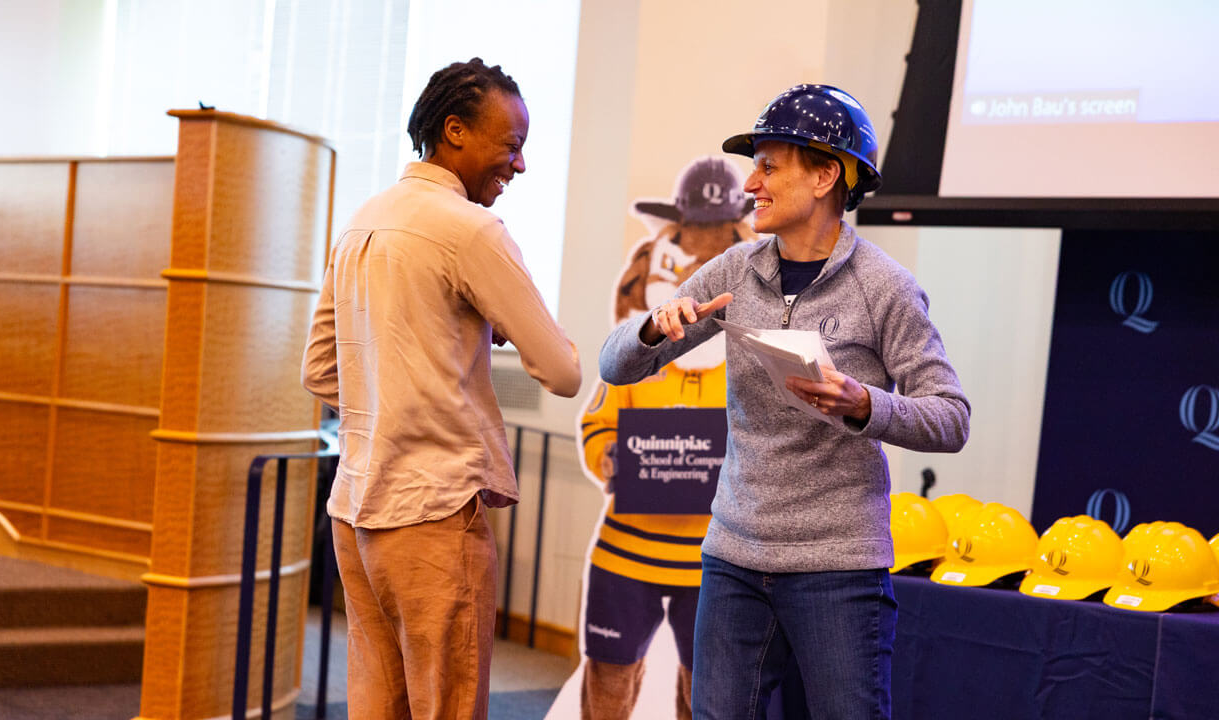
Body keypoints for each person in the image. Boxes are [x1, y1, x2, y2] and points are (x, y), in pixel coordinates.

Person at [597, 84, 970, 719]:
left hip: (839, 570)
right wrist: (656, 327)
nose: (750, 184)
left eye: (769, 166)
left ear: (827, 174)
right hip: (733, 560)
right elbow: (615, 364)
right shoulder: (734, 271)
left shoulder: (887, 288)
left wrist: (864, 405)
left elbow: (951, 417)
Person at [301, 57, 582, 720]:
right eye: (510, 146)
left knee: (376, 699)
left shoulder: (362, 221)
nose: (518, 165)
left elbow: (317, 371)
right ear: (454, 131)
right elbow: (563, 372)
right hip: (433, 515)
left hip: (356, 512)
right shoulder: (472, 231)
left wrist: (399, 385)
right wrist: (497, 326)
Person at [577, 156, 756, 720]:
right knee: (608, 679)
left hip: (713, 561)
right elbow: (597, 423)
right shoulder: (633, 360)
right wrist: (607, 455)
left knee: (704, 692)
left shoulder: (750, 370)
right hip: (624, 555)